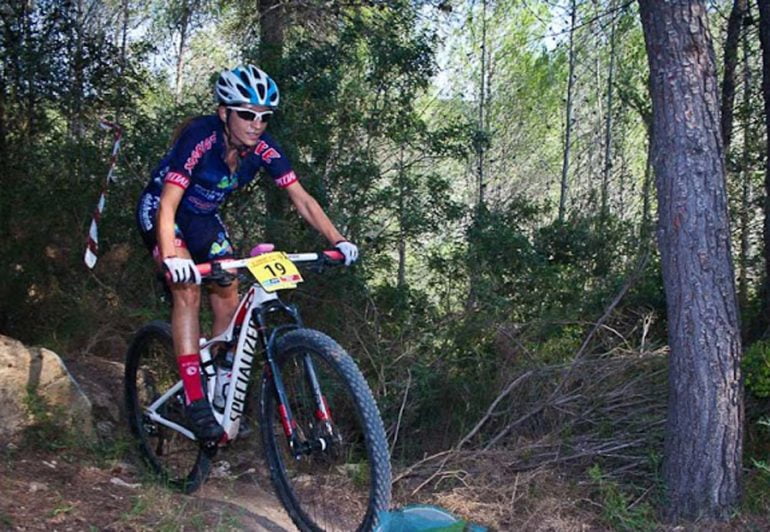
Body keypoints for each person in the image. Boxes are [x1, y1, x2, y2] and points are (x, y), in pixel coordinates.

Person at [135, 64, 358, 443]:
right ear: (224, 113)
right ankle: (194, 397)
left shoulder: (265, 150)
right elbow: (170, 203)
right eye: (246, 114)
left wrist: (339, 240)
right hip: (163, 212)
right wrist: (174, 257)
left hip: (203, 217)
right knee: (187, 289)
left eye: (264, 117)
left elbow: (301, 199)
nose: (256, 124)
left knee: (229, 289)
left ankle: (221, 379)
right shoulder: (200, 137)